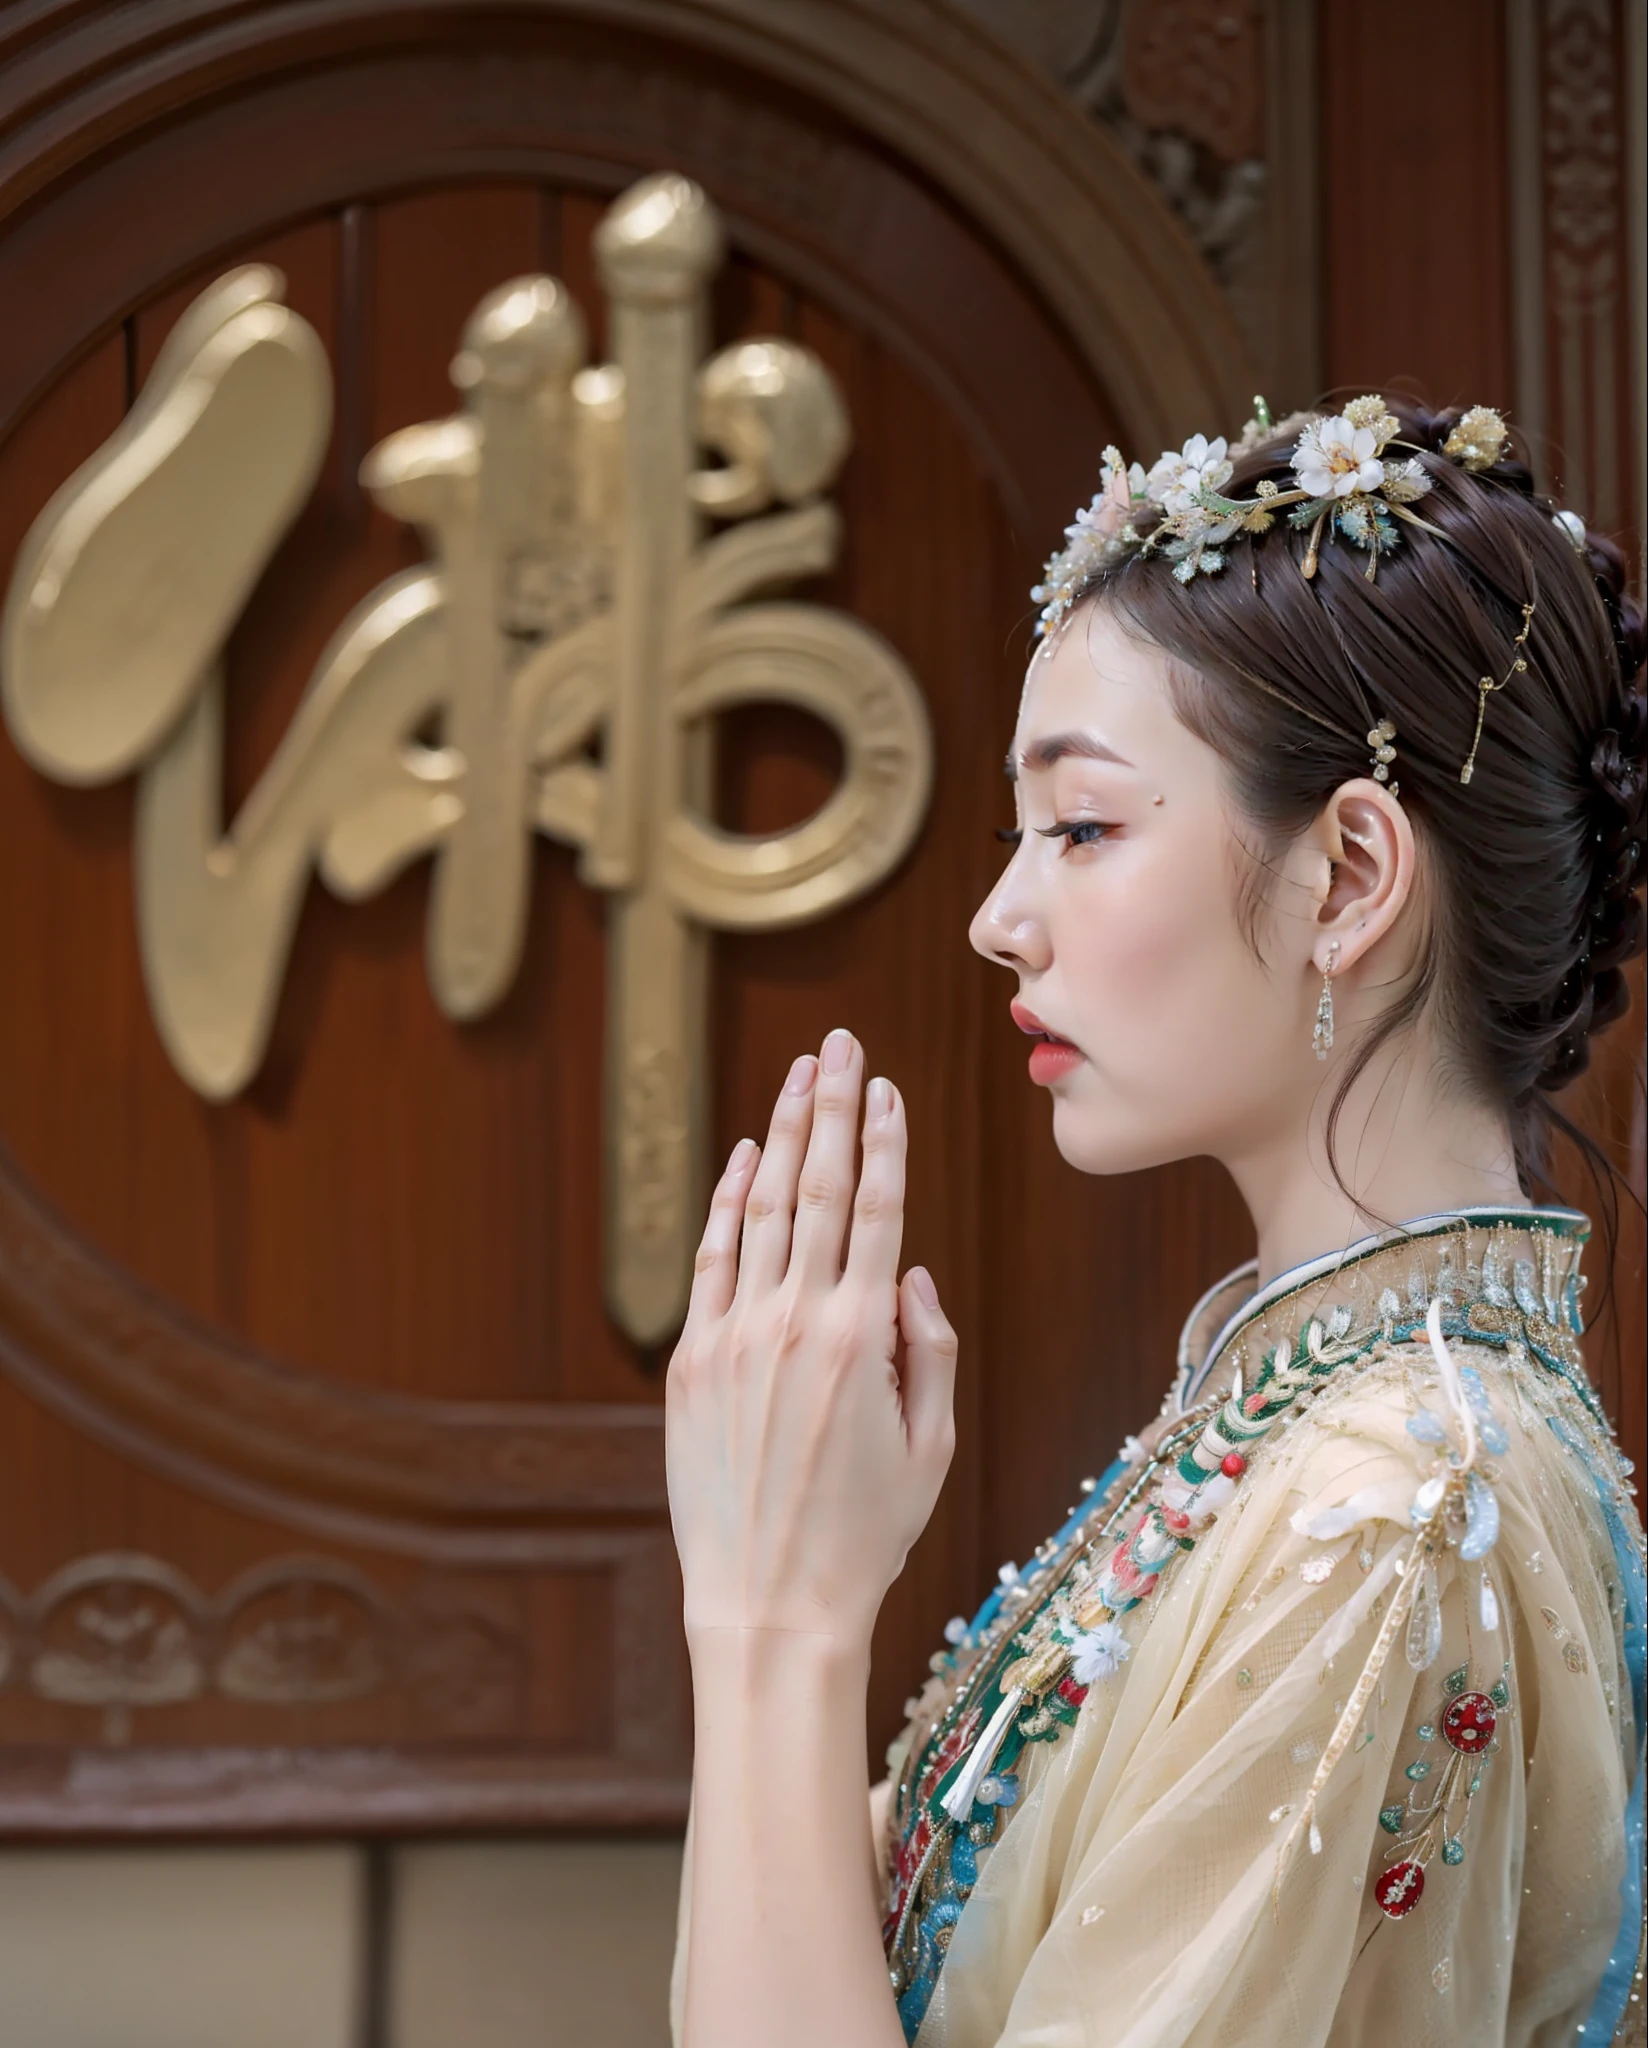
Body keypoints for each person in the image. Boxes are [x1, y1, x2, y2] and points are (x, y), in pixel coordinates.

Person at [664, 396, 1647, 2047]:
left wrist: (776, 1620)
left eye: (1086, 828)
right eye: (1019, 833)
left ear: (1348, 877)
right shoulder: (1322, 1435)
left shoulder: (1396, 1503)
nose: (1001, 918)